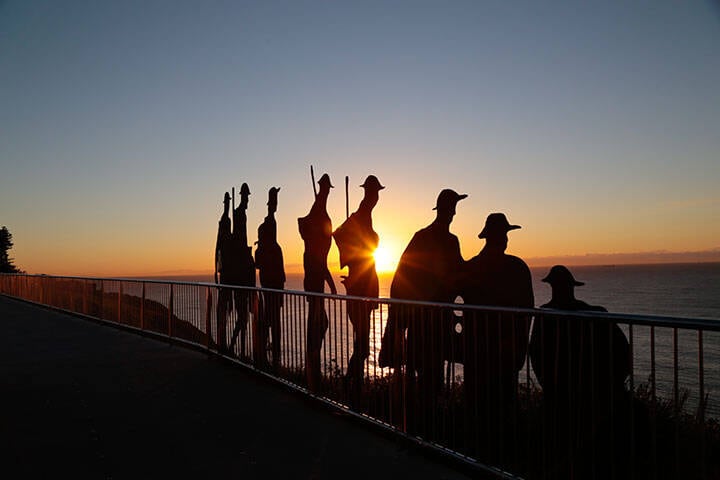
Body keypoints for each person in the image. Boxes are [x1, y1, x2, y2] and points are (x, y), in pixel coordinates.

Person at [529, 265, 632, 478]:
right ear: (572, 287)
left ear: (551, 286)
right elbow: (622, 350)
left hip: (561, 393)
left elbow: (535, 353)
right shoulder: (595, 313)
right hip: (594, 392)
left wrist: (549, 386)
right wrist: (613, 385)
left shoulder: (544, 314)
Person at [378, 188, 467, 436]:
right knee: (430, 379)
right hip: (430, 323)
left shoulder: (432, 238)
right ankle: (422, 433)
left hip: (423, 322)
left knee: (425, 378)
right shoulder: (446, 240)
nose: (453, 212)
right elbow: (459, 276)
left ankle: (417, 430)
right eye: (452, 206)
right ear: (447, 209)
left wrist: (399, 319)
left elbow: (401, 278)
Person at [458, 212, 534, 463]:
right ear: (501, 238)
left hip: (475, 349)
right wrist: (520, 347)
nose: (505, 240)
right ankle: (501, 460)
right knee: (503, 406)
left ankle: (475, 458)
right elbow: (527, 311)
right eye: (504, 235)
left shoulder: (470, 267)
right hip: (505, 351)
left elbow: (447, 296)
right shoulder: (517, 267)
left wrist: (458, 335)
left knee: (477, 406)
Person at [333, 175, 384, 392]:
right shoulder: (361, 213)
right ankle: (350, 384)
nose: (377, 196)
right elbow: (339, 233)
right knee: (362, 344)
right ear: (369, 193)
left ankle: (354, 385)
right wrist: (352, 263)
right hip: (360, 287)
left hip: (364, 286)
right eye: (375, 192)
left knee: (361, 342)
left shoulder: (366, 214)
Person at [298, 173, 337, 392]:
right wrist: (330, 284)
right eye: (325, 189)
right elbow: (318, 256)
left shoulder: (320, 214)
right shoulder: (319, 215)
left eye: (327, 189)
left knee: (319, 322)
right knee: (318, 322)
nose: (326, 192)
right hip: (314, 279)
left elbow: (319, 255)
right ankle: (312, 376)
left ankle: (312, 373)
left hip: (314, 278)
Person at [255, 187, 286, 372]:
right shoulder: (268, 227)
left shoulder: (268, 242)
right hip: (273, 282)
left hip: (271, 281)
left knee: (270, 318)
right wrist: (272, 197)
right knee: (273, 320)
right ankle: (273, 359)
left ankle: (268, 356)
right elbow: (271, 214)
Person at [228, 183, 256, 359]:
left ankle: (239, 349)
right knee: (243, 316)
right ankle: (235, 348)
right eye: (246, 197)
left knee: (243, 317)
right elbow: (238, 237)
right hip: (240, 269)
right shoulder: (239, 213)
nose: (247, 200)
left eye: (248, 197)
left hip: (242, 263)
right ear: (242, 197)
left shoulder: (241, 213)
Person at [214, 191, 233, 353]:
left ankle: (223, 342)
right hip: (225, 268)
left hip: (226, 266)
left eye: (228, 202)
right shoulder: (224, 221)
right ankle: (222, 342)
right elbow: (218, 244)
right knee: (224, 303)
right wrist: (216, 268)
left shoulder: (227, 220)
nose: (227, 204)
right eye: (226, 202)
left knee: (225, 303)